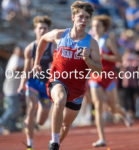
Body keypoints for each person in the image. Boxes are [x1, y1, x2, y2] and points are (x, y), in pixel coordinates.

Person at [32, 1, 102, 150]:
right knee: (60, 99)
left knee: (65, 125)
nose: (84, 20)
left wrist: (87, 59)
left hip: (77, 89)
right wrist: (36, 62)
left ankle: (55, 145)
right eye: (81, 17)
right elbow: (43, 39)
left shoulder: (92, 43)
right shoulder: (60, 34)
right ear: (73, 17)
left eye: (87, 18)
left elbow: (99, 70)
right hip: (57, 80)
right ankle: (54, 141)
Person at [89, 15, 132, 147]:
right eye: (93, 25)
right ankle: (102, 138)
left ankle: (123, 113)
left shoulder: (108, 40)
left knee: (113, 108)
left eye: (98, 26)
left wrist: (103, 55)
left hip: (108, 77)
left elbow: (119, 58)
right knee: (98, 106)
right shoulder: (90, 40)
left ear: (104, 27)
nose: (95, 28)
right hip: (95, 77)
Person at [17, 16, 53, 150]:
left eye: (45, 28)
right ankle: (30, 145)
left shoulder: (53, 46)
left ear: (48, 30)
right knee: (30, 111)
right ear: (35, 30)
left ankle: (41, 108)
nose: (42, 30)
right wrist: (22, 84)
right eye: (40, 28)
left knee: (41, 121)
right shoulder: (29, 48)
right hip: (33, 83)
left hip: (47, 85)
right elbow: (26, 69)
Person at [0, 46, 24, 134]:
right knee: (12, 109)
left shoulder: (21, 59)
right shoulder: (15, 58)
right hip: (10, 89)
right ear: (14, 52)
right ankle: (1, 123)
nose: (20, 52)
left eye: (21, 51)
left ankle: (12, 127)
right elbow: (16, 69)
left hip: (15, 89)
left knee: (16, 110)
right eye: (19, 51)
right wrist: (26, 70)